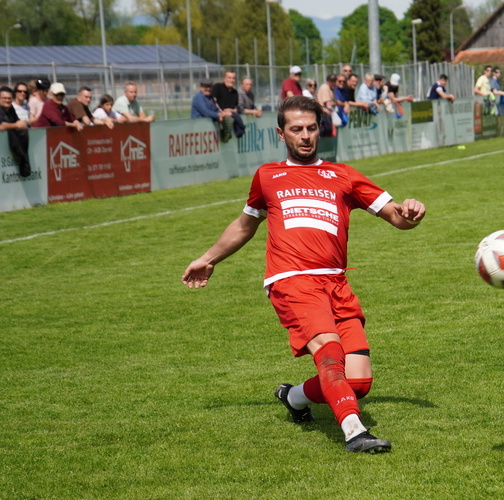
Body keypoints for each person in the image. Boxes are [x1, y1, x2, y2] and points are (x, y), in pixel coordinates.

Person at [181, 95, 426, 453]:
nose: (306, 135)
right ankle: (355, 431)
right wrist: (209, 258)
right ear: (281, 133)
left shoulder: (344, 175)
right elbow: (245, 224)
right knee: (329, 354)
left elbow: (396, 217)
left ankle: (293, 397)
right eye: (297, 129)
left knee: (358, 381)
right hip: (292, 280)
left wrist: (411, 212)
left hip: (336, 283)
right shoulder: (268, 175)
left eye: (312, 128)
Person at [0, 86, 31, 177]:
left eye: (9, 98)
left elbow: (17, 122)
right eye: (4, 98)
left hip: (4, 151)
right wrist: (16, 125)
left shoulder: (11, 108)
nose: (7, 100)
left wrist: (20, 125)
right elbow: (1, 126)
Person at [212, 71, 245, 142]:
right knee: (229, 120)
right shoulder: (218, 87)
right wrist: (222, 112)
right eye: (229, 78)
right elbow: (213, 102)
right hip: (218, 116)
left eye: (233, 78)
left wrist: (232, 110)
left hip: (230, 115)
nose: (231, 80)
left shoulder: (235, 92)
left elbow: (236, 108)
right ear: (224, 79)